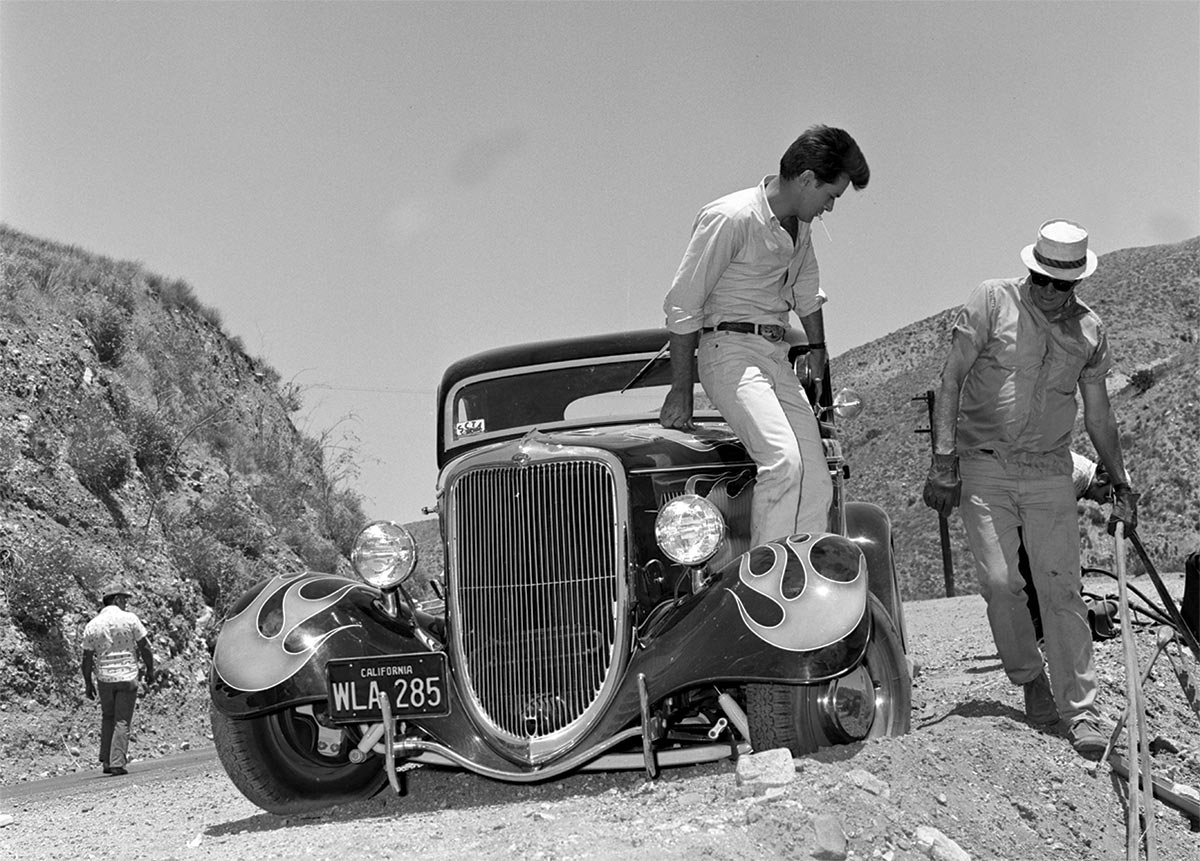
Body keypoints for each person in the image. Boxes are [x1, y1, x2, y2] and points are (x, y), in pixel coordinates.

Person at [922, 219, 1139, 760]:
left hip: (1048, 471)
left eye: (1059, 284)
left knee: (1060, 589)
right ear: (1030, 269)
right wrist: (943, 460)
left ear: (1076, 284)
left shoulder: (1089, 330)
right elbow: (950, 379)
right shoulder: (992, 302)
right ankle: (1029, 678)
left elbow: (1099, 413)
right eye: (1038, 277)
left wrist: (1121, 481)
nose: (1046, 290)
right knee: (1000, 583)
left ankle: (1081, 710)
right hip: (984, 466)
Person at [659, 124, 869, 547]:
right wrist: (681, 388)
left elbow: (807, 293)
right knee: (783, 463)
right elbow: (683, 305)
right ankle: (765, 587)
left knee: (814, 475)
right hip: (729, 351)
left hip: (774, 356)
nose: (829, 208)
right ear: (808, 179)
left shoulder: (800, 226)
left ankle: (803, 587)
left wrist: (818, 351)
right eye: (831, 196)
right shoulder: (730, 218)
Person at [1020, 451, 1112, 642]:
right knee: (1032, 577)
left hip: (1030, 518)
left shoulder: (1079, 478)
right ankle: (1041, 638)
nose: (1104, 501)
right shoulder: (1074, 474)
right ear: (1102, 478)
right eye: (1108, 494)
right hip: (1024, 518)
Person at [81, 579, 155, 776]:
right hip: (127, 676)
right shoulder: (130, 619)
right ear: (115, 599)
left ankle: (106, 760)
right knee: (122, 720)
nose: (126, 603)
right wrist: (150, 670)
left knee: (108, 716)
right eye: (124, 599)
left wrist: (88, 682)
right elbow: (145, 646)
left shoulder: (92, 624)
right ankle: (116, 762)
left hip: (104, 678)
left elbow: (87, 658)